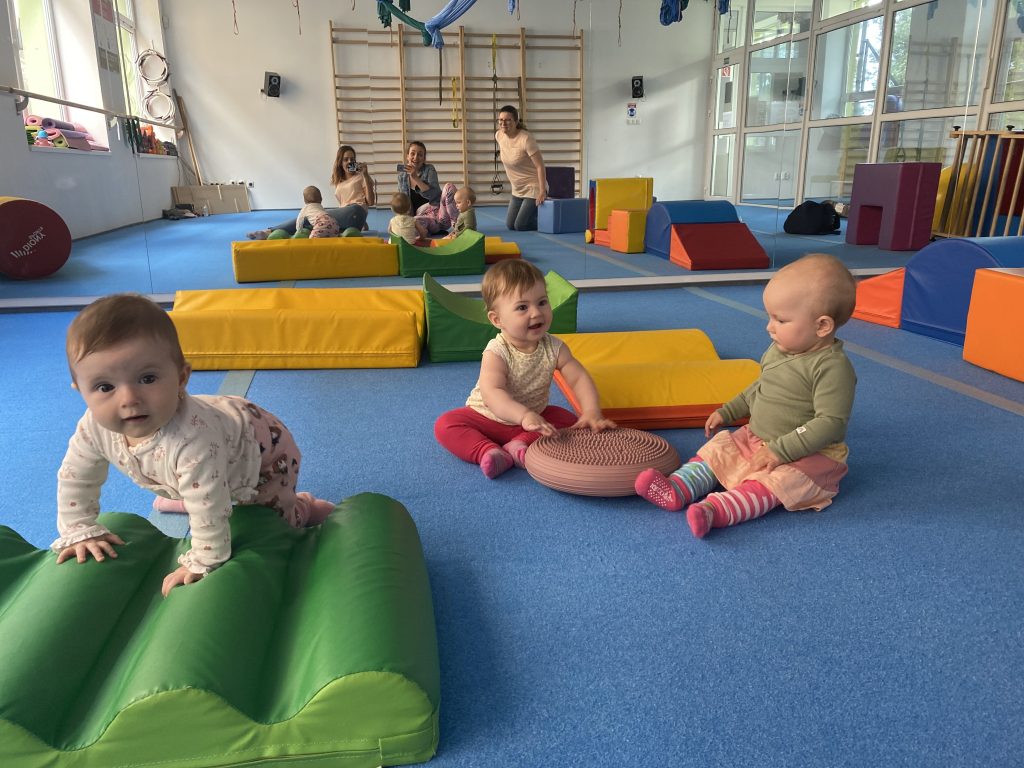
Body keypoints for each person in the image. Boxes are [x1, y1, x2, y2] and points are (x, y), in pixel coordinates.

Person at [52, 294, 336, 597]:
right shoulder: (93, 428)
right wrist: (78, 529)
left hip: (263, 450)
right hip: (212, 456)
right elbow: (76, 478)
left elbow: (208, 505)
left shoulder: (192, 440)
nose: (128, 399)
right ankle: (186, 492)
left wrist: (203, 561)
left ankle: (304, 506)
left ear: (181, 378)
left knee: (270, 519)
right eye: (104, 387)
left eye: (147, 378)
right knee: (198, 483)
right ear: (81, 391)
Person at [634, 253, 858, 538]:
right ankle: (679, 487)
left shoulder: (832, 368)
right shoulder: (779, 350)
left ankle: (719, 510)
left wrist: (781, 450)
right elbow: (760, 387)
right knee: (719, 451)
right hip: (758, 437)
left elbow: (830, 423)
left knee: (776, 484)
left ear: (822, 326)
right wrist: (728, 410)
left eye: (781, 319)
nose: (769, 326)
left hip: (809, 455)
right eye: (770, 317)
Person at [434, 259, 616, 479]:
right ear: (497, 319)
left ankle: (518, 445)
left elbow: (578, 378)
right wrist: (523, 415)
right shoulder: (496, 352)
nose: (536, 313)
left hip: (534, 419)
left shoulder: (555, 347)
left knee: (567, 420)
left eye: (542, 302)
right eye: (522, 307)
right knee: (446, 424)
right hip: (488, 417)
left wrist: (591, 411)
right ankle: (487, 450)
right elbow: (493, 394)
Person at [247, 145, 375, 238]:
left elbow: (370, 202)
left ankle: (269, 231)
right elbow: (344, 206)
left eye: (352, 159)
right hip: (349, 217)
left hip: (356, 210)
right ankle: (272, 231)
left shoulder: (361, 177)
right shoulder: (339, 182)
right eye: (346, 159)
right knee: (313, 217)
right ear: (340, 162)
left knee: (318, 215)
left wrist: (366, 176)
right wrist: (361, 222)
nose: (350, 162)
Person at [495, 104, 546, 231]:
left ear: (516, 121)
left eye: (508, 120)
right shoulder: (499, 136)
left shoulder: (526, 139)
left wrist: (542, 190)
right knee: (510, 225)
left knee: (520, 225)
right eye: (500, 120)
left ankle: (547, 220)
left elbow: (540, 166)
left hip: (532, 187)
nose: (503, 123)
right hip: (517, 189)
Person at [397, 140, 459, 235]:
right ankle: (431, 230)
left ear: (424, 158)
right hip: (421, 219)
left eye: (420, 155)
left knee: (449, 187)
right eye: (412, 154)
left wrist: (416, 178)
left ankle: (457, 227)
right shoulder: (402, 176)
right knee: (407, 225)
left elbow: (434, 194)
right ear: (407, 156)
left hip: (440, 216)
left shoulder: (429, 169)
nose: (415, 158)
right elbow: (404, 204)